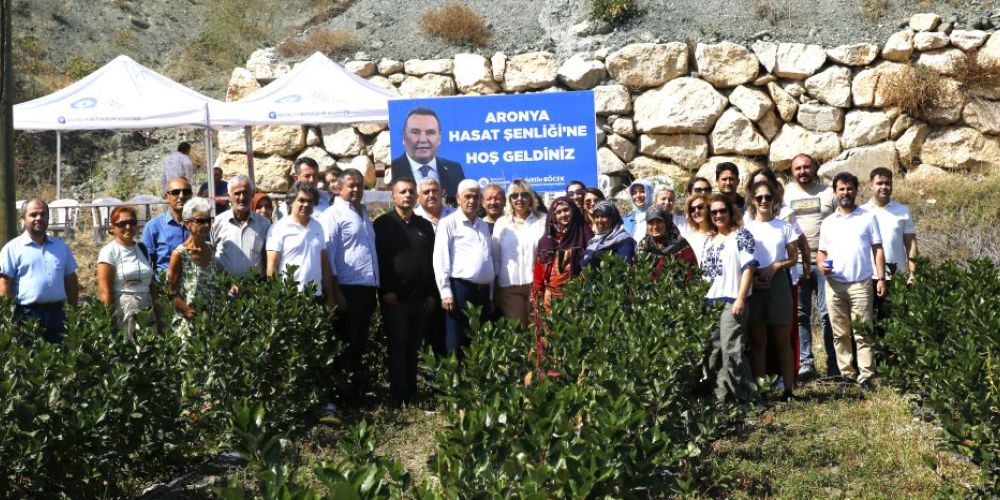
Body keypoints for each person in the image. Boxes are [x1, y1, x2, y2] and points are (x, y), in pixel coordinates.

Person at [817, 172, 887, 390]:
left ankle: (866, 376)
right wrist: (821, 264)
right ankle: (847, 374)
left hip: (861, 283)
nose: (845, 193)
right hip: (834, 285)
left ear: (856, 190)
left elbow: (877, 249)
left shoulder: (867, 217)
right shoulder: (828, 222)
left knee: (862, 332)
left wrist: (881, 277)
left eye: (849, 188)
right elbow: (821, 253)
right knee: (840, 333)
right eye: (841, 189)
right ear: (835, 192)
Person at [374, 177, 437, 404]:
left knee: (413, 348)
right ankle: (399, 394)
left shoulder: (424, 226)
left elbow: (432, 262)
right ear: (393, 196)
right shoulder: (382, 225)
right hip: (395, 299)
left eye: (411, 191)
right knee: (398, 347)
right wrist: (386, 290)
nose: (407, 195)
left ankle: (412, 390)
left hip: (420, 299)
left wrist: (431, 293)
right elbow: (380, 260)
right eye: (403, 191)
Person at [319, 168, 380, 401]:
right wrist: (335, 294)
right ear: (339, 188)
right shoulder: (332, 215)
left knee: (359, 343)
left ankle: (356, 392)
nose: (355, 190)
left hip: (366, 288)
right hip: (346, 288)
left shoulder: (363, 213)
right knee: (346, 344)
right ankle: (343, 396)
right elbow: (329, 256)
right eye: (351, 185)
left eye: (359, 186)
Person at [784, 154, 838, 378]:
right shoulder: (786, 194)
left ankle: (834, 364)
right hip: (795, 263)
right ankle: (806, 363)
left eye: (807, 167)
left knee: (828, 314)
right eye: (798, 168)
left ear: (814, 168)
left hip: (825, 262)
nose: (803, 171)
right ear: (792, 171)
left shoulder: (828, 192)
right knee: (800, 314)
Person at [699, 193, 757, 402]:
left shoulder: (742, 235)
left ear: (731, 212)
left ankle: (745, 398)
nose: (718, 215)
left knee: (732, 350)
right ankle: (722, 398)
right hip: (710, 301)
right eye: (713, 212)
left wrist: (741, 298)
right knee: (713, 352)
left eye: (722, 210)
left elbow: (749, 267)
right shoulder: (708, 240)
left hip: (732, 300)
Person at [745, 181, 799, 399]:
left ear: (775, 200)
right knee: (758, 340)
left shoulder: (784, 227)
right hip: (754, 283)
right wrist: (753, 279)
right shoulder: (746, 228)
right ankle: (761, 390)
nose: (764, 201)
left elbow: (794, 258)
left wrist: (776, 265)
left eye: (768, 197)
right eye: (759, 198)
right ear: (752, 201)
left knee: (782, 340)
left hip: (778, 284)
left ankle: (788, 389)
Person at [0, 198, 79, 342]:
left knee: (61, 360)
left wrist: (73, 314)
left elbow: (71, 280)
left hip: (58, 315)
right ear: (23, 218)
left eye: (43, 214)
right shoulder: (12, 249)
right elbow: (4, 285)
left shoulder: (61, 247)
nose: (39, 218)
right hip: (26, 316)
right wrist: (9, 319)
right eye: (33, 214)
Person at [433, 179, 494, 356]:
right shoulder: (448, 223)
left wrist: (490, 294)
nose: (472, 201)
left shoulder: (483, 225)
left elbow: (487, 259)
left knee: (480, 342)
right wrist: (445, 292)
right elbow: (440, 258)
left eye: (476, 197)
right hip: (459, 290)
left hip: (481, 292)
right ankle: (455, 382)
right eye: (467, 196)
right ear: (458, 198)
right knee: (456, 342)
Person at [267, 182, 343, 308]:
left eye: (310, 201)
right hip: (289, 297)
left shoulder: (318, 226)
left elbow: (324, 264)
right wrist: (275, 298)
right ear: (291, 202)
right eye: (301, 200)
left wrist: (330, 296)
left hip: (316, 297)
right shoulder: (278, 228)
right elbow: (272, 267)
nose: (306, 204)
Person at [492, 179, 547, 327]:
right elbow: (496, 258)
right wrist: (494, 288)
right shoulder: (501, 223)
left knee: (538, 329)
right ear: (509, 199)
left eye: (524, 195)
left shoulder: (543, 220)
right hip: (509, 286)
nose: (519, 199)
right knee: (516, 331)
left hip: (536, 284)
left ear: (531, 198)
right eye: (514, 196)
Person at [166, 197, 222, 338]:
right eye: (200, 221)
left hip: (212, 322)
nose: (206, 225)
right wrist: (186, 310)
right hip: (188, 325)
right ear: (187, 223)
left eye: (208, 220)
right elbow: (170, 291)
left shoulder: (211, 248)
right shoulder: (179, 254)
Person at [97, 205, 157, 337]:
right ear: (113, 228)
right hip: (123, 310)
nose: (128, 227)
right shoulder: (108, 252)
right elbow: (105, 292)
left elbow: (151, 284)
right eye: (122, 224)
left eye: (132, 222)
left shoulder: (142, 249)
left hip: (147, 307)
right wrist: (108, 324)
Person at [391, 107, 466, 199]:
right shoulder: (393, 169)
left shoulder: (454, 169)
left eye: (430, 132)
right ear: (404, 137)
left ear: (439, 138)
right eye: (415, 132)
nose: (423, 140)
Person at [533, 197, 591, 310]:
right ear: (553, 215)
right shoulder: (546, 241)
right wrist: (538, 294)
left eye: (566, 210)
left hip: (579, 296)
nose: (563, 214)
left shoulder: (585, 235)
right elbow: (539, 271)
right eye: (558, 212)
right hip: (551, 299)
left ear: (573, 211)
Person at [211, 175, 271, 278]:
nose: (242, 197)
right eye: (237, 193)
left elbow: (267, 258)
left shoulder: (264, 224)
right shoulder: (218, 222)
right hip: (224, 289)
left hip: (255, 290)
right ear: (229, 196)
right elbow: (211, 253)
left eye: (245, 192)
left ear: (252, 195)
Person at [142, 177, 193, 272]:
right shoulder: (153, 226)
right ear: (166, 197)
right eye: (175, 192)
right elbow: (145, 262)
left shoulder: (200, 224)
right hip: (165, 284)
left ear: (191, 196)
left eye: (186, 192)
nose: (181, 196)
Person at [637, 205, 697, 281]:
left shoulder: (680, 245)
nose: (655, 227)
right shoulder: (644, 245)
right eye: (650, 222)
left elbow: (692, 276)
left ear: (667, 222)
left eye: (659, 221)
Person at [582, 200, 636, 268]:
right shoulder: (593, 241)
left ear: (613, 217)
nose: (599, 220)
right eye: (597, 216)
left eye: (604, 216)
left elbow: (624, 267)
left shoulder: (624, 240)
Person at [684, 193, 710, 262]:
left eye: (700, 207)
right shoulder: (688, 239)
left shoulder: (719, 234)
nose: (696, 211)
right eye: (692, 209)